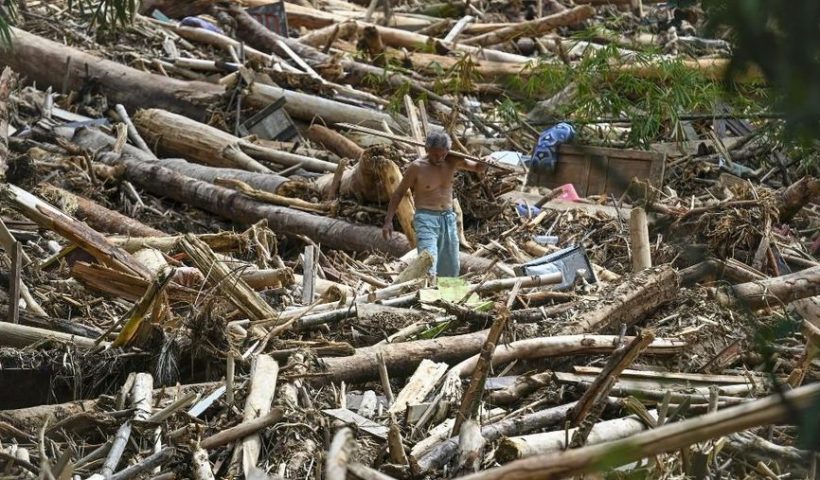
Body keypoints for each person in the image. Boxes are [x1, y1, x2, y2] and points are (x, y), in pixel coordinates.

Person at [382, 131, 487, 278]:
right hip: (426, 218)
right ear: (427, 149)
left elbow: (477, 167)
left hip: (448, 219)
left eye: (443, 154)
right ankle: (426, 289)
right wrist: (388, 220)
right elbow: (399, 193)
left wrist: (485, 162)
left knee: (451, 264)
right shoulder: (417, 167)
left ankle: (448, 292)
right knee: (428, 260)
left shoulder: (452, 160)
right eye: (435, 154)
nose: (439, 158)